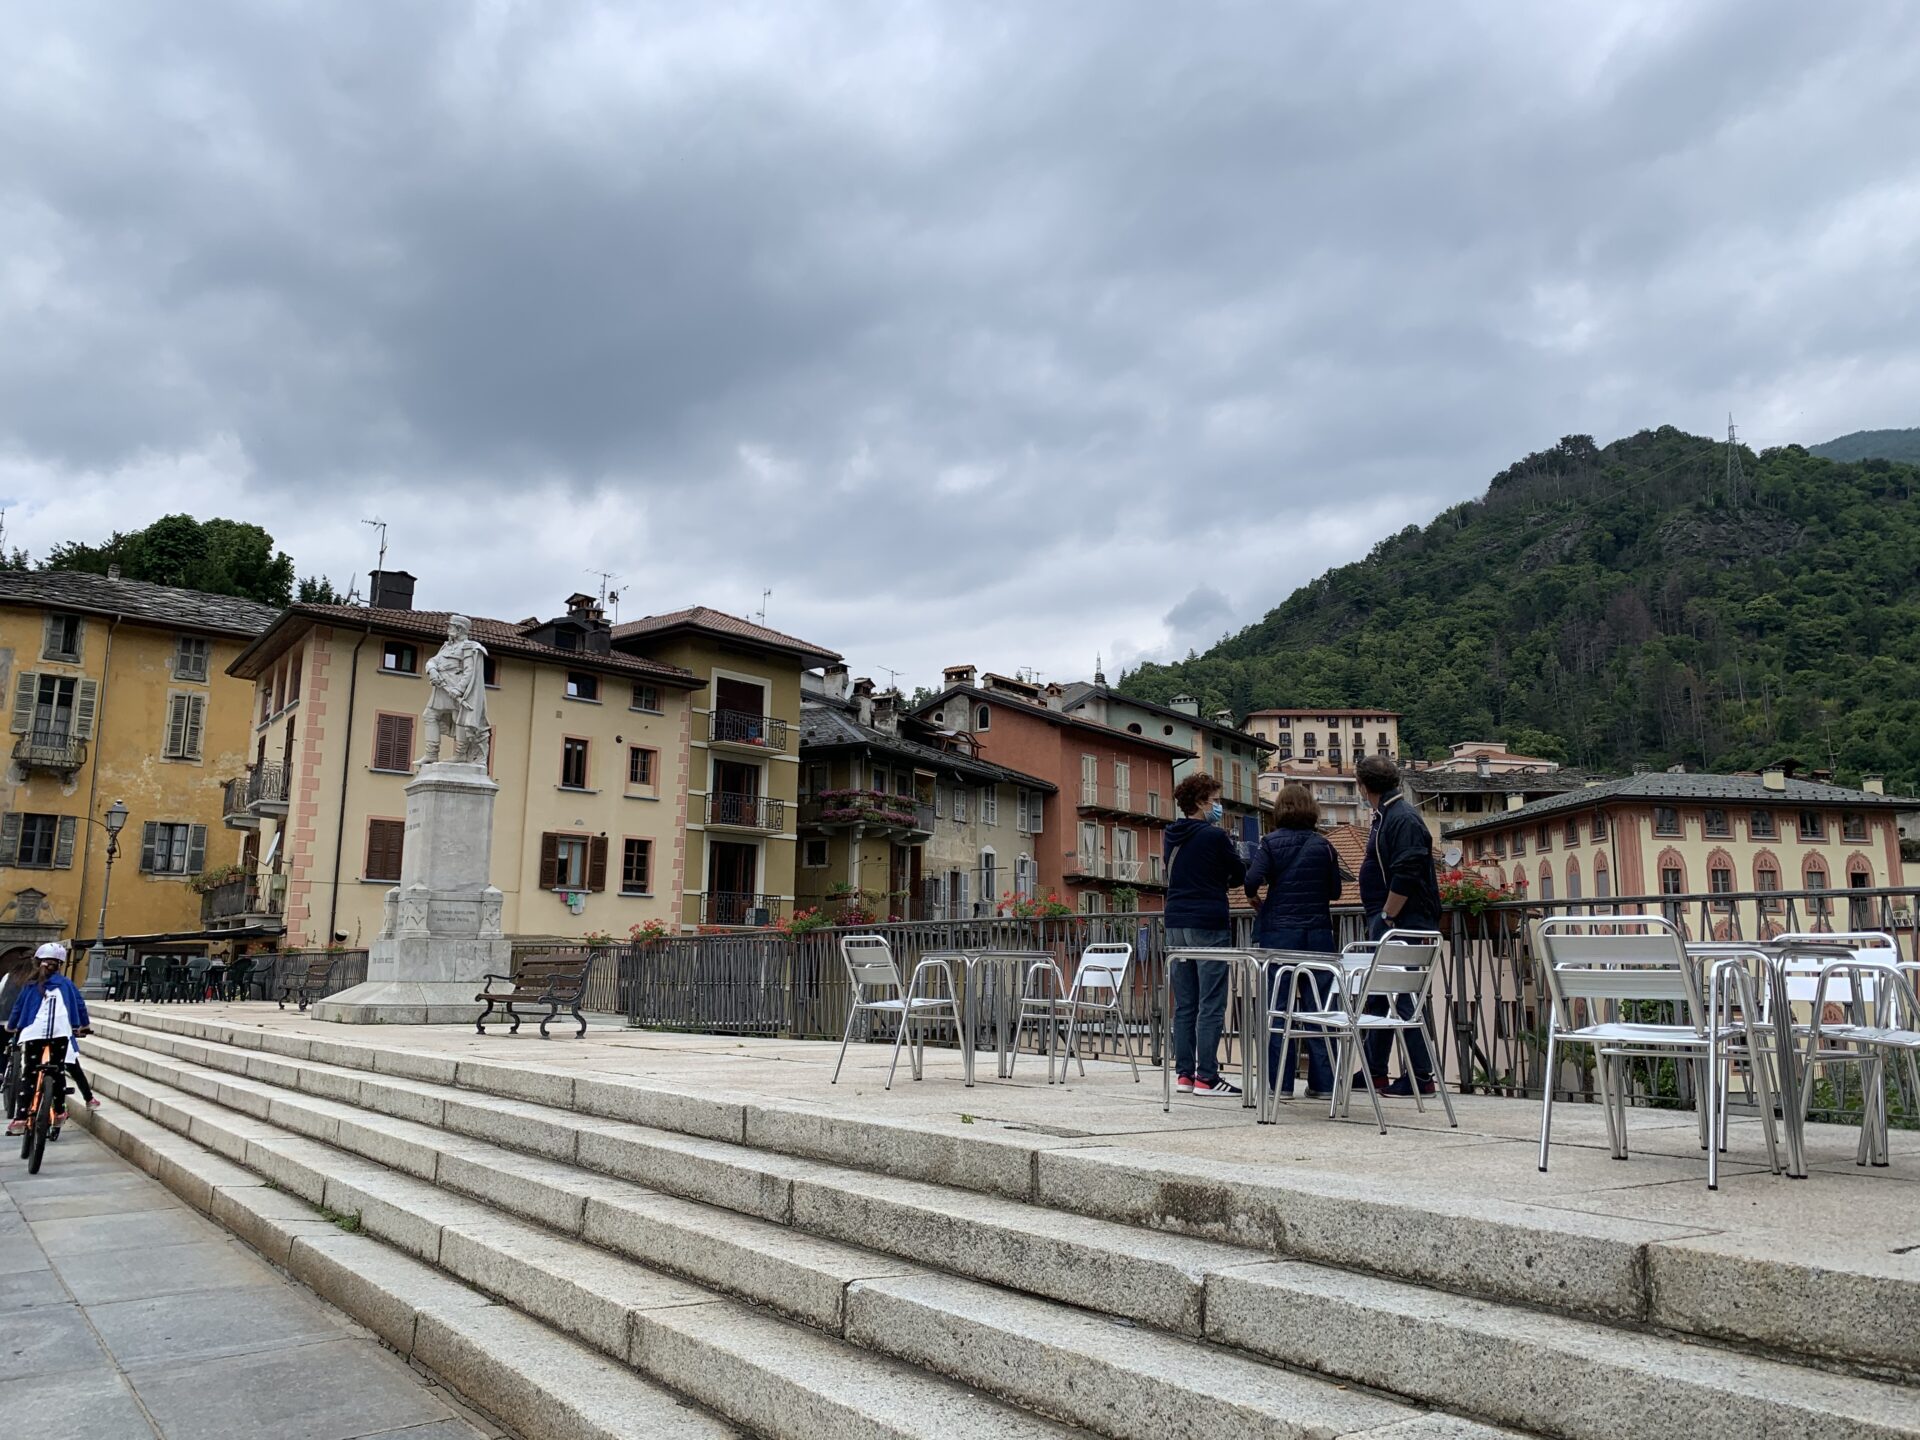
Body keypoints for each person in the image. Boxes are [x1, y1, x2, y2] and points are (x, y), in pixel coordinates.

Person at [1243, 783, 1344, 1098]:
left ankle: (1280, 1085)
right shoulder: (1325, 846)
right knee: (1320, 1009)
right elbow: (1336, 892)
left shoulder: (1270, 843)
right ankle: (1324, 1084)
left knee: (1279, 1009)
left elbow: (1251, 880)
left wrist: (1255, 899)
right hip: (1318, 936)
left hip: (1279, 936)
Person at [1354, 755, 1443, 1096]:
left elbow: (1407, 872)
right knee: (1380, 996)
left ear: (1363, 786)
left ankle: (1421, 1076)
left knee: (1404, 997)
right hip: (1392, 921)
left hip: (1403, 922)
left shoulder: (1402, 818)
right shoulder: (1387, 815)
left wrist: (1387, 916)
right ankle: (1375, 1070)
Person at [1162, 772, 1247, 1097]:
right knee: (1211, 1002)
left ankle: (1184, 1074)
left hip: (1175, 922)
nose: (1218, 806)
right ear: (1200, 802)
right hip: (1208, 922)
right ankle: (1207, 1077)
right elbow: (1238, 872)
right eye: (1214, 800)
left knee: (1185, 1004)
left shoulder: (1171, 835)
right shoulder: (1214, 836)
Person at [6, 942, 91, 1135]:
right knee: (57, 1070)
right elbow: (80, 1005)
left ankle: (20, 1118)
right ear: (60, 965)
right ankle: (59, 1112)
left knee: (29, 1073)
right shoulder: (67, 984)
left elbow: (18, 1008)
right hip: (60, 1033)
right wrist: (84, 1025)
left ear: (37, 962)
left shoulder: (30, 984)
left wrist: (11, 1026)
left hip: (33, 1033)